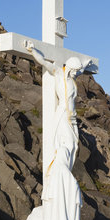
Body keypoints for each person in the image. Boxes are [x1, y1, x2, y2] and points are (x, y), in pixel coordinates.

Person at [24, 40, 91, 171]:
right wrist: (32, 50)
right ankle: (60, 170)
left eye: (77, 71)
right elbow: (43, 61)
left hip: (72, 116)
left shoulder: (73, 78)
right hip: (63, 114)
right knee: (66, 144)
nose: (76, 73)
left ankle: (66, 172)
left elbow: (81, 70)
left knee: (74, 145)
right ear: (70, 68)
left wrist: (86, 65)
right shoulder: (59, 73)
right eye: (74, 70)